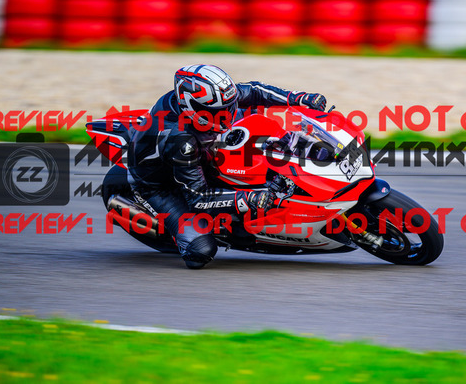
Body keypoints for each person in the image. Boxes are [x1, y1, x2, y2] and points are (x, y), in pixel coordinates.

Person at [127, 65, 326, 269]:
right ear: (193, 108)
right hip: (161, 186)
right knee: (200, 252)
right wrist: (248, 198)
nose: (228, 115)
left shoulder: (211, 99)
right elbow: (199, 198)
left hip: (195, 154)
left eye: (229, 108)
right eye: (219, 113)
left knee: (256, 122)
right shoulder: (181, 141)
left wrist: (298, 98)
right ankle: (179, 230)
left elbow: (254, 91)